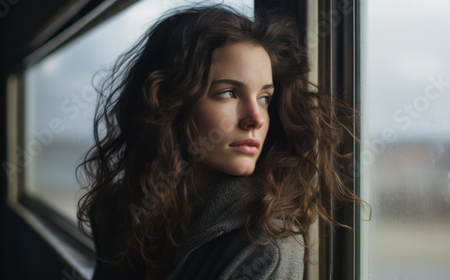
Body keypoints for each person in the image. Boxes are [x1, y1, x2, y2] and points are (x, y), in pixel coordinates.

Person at [77, 4, 359, 280]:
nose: (255, 119)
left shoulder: (262, 246)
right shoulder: (118, 210)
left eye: (264, 98)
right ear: (170, 102)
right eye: (228, 93)